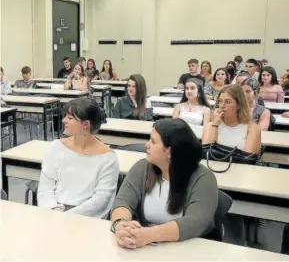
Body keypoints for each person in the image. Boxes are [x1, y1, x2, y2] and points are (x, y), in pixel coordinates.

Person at [110, 118, 218, 249]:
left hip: (188, 249)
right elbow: (123, 202)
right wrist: (121, 224)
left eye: (153, 141)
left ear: (170, 152)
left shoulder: (203, 178)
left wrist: (148, 235)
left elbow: (195, 222)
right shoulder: (142, 167)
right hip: (145, 247)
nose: (146, 145)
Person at [37, 98, 119, 217]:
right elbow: (45, 188)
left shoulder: (108, 158)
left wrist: (67, 217)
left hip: (86, 218)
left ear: (85, 124)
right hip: (54, 211)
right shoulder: (56, 147)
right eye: (65, 116)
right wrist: (53, 210)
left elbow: (100, 201)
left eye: (70, 118)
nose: (64, 120)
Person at [202, 85, 261, 154]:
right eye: (220, 101)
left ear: (239, 105)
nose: (222, 106)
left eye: (228, 102)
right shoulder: (211, 125)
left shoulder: (252, 128)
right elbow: (206, 153)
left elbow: (248, 158)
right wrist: (215, 124)